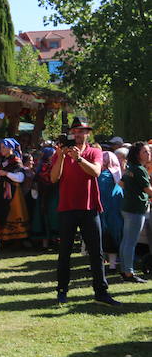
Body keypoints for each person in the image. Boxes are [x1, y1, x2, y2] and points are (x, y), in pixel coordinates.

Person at [50, 118, 119, 306]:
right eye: (76, 131)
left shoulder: (94, 151)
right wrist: (62, 156)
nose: (79, 134)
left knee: (96, 252)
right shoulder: (61, 153)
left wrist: (79, 158)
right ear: (72, 133)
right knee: (64, 252)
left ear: (87, 133)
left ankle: (101, 292)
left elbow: (95, 172)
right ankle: (62, 291)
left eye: (82, 131)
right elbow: (54, 178)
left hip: (89, 208)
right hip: (67, 208)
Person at [118, 142, 151, 283]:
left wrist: (132, 192)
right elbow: (148, 190)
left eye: (149, 151)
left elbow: (121, 183)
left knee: (126, 241)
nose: (148, 154)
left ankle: (125, 270)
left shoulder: (131, 168)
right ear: (137, 154)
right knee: (131, 242)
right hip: (136, 209)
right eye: (145, 151)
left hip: (128, 207)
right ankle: (129, 273)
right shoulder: (139, 169)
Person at [0, 138, 30, 244]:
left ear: (10, 148)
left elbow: (21, 177)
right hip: (2, 191)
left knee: (13, 213)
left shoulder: (16, 160)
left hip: (13, 193)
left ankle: (16, 240)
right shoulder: (3, 160)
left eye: (3, 147)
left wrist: (6, 174)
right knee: (0, 212)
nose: (1, 149)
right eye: (1, 147)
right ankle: (3, 239)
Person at [98, 151, 124, 272]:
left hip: (102, 212)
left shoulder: (101, 175)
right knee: (114, 238)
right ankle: (113, 265)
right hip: (116, 212)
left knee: (100, 239)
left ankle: (98, 264)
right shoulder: (118, 174)